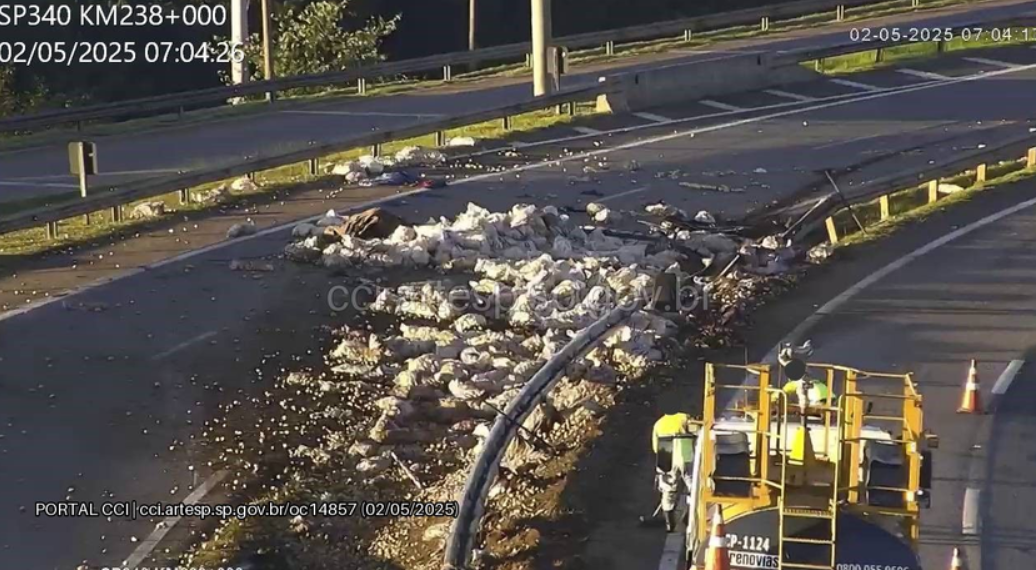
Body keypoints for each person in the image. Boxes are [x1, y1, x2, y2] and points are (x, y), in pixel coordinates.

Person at [652, 411, 697, 532]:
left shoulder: (658, 424)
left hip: (666, 457)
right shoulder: (685, 418)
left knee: (668, 490)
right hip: (686, 455)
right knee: (693, 489)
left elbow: (656, 448)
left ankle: (669, 523)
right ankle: (688, 518)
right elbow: (697, 432)